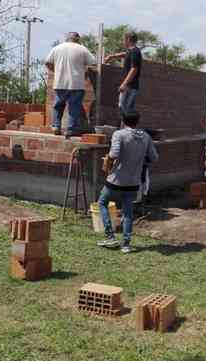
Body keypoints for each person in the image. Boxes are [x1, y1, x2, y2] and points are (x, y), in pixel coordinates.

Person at [97, 111, 158, 253]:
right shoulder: (146, 137)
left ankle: (110, 237)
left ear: (123, 121)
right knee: (128, 212)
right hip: (133, 182)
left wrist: (107, 158)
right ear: (138, 121)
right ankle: (126, 245)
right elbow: (154, 157)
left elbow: (114, 153)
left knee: (102, 203)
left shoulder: (119, 134)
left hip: (116, 180)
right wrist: (140, 161)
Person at [45, 32, 96, 137]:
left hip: (60, 83)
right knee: (74, 107)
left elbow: (47, 62)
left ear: (67, 38)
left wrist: (56, 71)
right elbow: (93, 62)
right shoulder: (82, 49)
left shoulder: (57, 48)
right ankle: (70, 130)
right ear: (77, 39)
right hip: (76, 84)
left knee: (58, 106)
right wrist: (85, 72)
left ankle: (56, 126)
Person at [105, 32, 142, 115]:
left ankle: (127, 123)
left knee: (124, 108)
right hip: (130, 86)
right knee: (125, 109)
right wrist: (112, 56)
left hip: (130, 86)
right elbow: (125, 54)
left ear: (128, 39)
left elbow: (134, 69)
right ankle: (126, 123)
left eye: (124, 39)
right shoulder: (131, 51)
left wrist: (124, 84)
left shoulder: (134, 51)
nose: (123, 41)